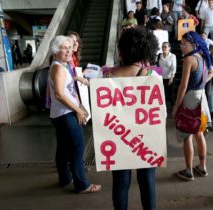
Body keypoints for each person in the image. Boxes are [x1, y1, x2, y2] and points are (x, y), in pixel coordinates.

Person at [104, 28, 162, 210]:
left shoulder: (106, 76)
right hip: (146, 139)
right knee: (147, 181)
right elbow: (162, 113)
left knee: (120, 183)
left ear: (123, 50)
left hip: (118, 137)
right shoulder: (153, 76)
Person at [48, 35, 101, 194]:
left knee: (64, 148)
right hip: (66, 115)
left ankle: (65, 179)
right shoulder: (58, 68)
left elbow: (66, 90)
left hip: (61, 114)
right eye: (64, 48)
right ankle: (82, 185)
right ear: (56, 50)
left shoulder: (61, 66)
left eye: (70, 48)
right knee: (77, 148)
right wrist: (78, 110)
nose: (69, 51)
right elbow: (59, 94)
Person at [173, 31, 213, 181]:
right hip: (202, 97)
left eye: (184, 44)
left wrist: (176, 106)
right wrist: (202, 84)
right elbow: (212, 71)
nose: (182, 47)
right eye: (181, 44)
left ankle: (188, 171)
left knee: (187, 136)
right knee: (199, 134)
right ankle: (202, 167)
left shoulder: (189, 59)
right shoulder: (202, 57)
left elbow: (183, 86)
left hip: (190, 98)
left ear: (194, 44)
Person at [158, 42, 176, 109]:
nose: (164, 48)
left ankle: (174, 108)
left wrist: (171, 77)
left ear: (169, 48)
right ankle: (162, 108)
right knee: (161, 94)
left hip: (169, 78)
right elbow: (157, 66)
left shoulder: (172, 56)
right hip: (161, 78)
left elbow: (173, 67)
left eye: (165, 46)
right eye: (163, 46)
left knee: (171, 95)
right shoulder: (159, 56)